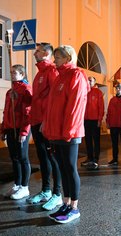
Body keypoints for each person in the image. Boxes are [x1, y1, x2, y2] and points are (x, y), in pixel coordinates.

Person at [43, 45, 90, 224]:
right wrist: (47, 126)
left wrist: (69, 131)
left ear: (68, 58)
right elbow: (51, 107)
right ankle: (66, 203)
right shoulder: (58, 77)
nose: (55, 61)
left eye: (58, 58)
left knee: (70, 168)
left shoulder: (76, 75)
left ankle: (74, 208)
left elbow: (76, 106)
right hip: (57, 132)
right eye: (55, 57)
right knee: (62, 168)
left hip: (69, 132)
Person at [27, 43, 62, 210]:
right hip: (36, 120)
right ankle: (46, 190)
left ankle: (57, 194)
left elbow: (55, 99)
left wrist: (48, 120)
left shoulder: (51, 71)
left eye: (38, 51)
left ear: (47, 54)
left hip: (45, 122)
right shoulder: (40, 73)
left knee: (52, 158)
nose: (35, 53)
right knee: (43, 158)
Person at [1, 64, 32, 200]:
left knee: (22, 157)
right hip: (10, 128)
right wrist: (3, 129)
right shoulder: (9, 92)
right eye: (11, 72)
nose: (12, 74)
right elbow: (6, 111)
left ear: (22, 75)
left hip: (21, 128)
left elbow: (28, 112)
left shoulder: (26, 89)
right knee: (14, 158)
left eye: (15, 72)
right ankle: (17, 185)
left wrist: (24, 131)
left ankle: (24, 187)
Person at [81, 76, 104, 169]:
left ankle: (96, 158)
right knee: (88, 140)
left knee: (96, 140)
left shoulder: (98, 92)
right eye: (87, 80)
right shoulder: (84, 92)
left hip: (95, 120)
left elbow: (101, 107)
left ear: (94, 82)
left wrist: (99, 120)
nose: (89, 81)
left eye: (90, 80)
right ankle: (89, 157)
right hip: (86, 120)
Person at [106, 83, 121, 167]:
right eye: (116, 88)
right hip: (113, 124)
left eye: (119, 88)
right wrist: (108, 122)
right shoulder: (112, 99)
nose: (117, 90)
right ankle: (115, 159)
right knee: (114, 143)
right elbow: (109, 112)